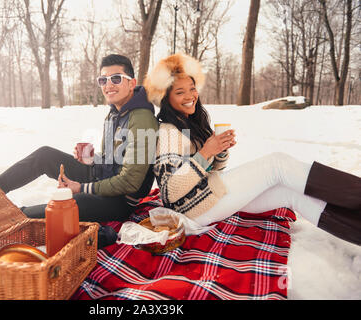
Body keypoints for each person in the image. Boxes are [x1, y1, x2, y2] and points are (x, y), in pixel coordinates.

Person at [143, 53, 360, 245]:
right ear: (167, 98)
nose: (190, 96)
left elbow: (212, 168)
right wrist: (206, 152)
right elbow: (170, 192)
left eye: (192, 89)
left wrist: (219, 150)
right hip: (193, 208)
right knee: (278, 164)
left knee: (289, 194)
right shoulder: (168, 131)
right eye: (180, 92)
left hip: (206, 196)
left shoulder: (190, 123)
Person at [0, 54, 159, 225]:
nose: (108, 85)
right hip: (101, 178)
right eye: (103, 79)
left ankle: (8, 217)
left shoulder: (141, 119)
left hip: (120, 200)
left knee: (69, 203)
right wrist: (92, 159)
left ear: (132, 83)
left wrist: (81, 188)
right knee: (45, 155)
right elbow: (116, 161)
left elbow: (131, 181)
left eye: (116, 78)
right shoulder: (115, 112)